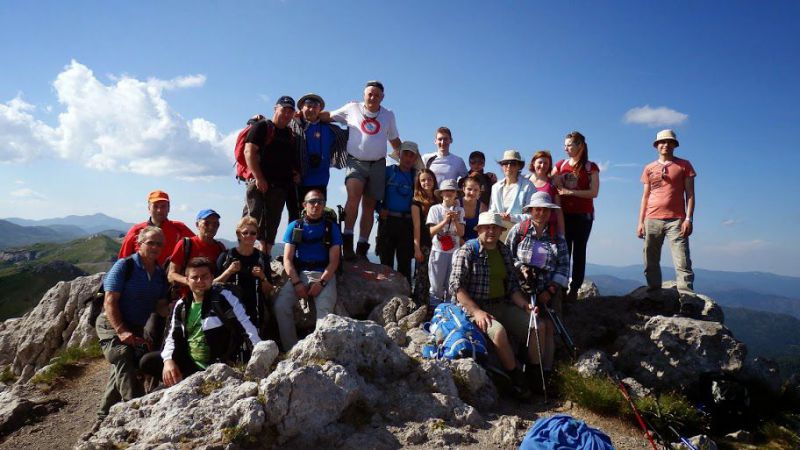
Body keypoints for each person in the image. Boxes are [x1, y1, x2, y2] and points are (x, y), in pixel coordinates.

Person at [449, 212, 536, 397]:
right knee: (498, 332)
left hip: (501, 304)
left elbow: (512, 286)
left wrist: (524, 305)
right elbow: (456, 287)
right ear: (479, 229)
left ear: (501, 231)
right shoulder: (468, 250)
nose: (491, 231)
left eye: (495, 227)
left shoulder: (503, 251)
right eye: (487, 227)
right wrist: (477, 312)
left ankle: (536, 375)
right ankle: (516, 379)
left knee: (535, 326)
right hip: (474, 307)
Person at [140, 257, 262, 387]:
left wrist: (260, 354)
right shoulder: (182, 305)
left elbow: (246, 326)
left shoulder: (224, 298)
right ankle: (180, 383)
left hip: (218, 365)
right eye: (195, 277)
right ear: (187, 280)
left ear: (212, 277)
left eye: (204, 276)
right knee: (147, 361)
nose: (200, 281)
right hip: (189, 363)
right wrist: (168, 361)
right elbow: (172, 336)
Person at [321, 81, 402, 260]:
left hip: (378, 164)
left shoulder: (388, 115)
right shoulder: (352, 108)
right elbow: (329, 116)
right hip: (355, 162)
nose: (373, 97)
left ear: (382, 97)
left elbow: (394, 140)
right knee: (353, 198)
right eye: (370, 94)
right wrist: (309, 114)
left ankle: (362, 248)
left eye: (377, 95)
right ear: (364, 95)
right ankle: (347, 242)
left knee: (369, 206)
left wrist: (409, 160)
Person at [95, 226, 169, 420]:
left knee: (122, 367)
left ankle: (103, 417)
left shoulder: (160, 274)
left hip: (135, 327)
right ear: (139, 244)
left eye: (159, 244)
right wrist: (121, 330)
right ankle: (135, 408)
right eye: (150, 243)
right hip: (111, 323)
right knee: (122, 353)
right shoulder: (124, 266)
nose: (155, 247)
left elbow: (160, 306)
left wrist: (178, 307)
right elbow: (110, 301)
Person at [505, 192, 569, 379]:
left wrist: (551, 289)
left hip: (549, 289)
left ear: (550, 212)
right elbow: (507, 256)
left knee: (548, 326)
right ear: (531, 210)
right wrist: (521, 267)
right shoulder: (519, 231)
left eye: (545, 210)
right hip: (522, 289)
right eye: (537, 209)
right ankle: (523, 366)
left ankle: (544, 372)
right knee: (527, 325)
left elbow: (564, 266)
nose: (541, 213)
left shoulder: (557, 237)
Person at [273, 189, 342, 351]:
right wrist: (297, 283)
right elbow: (287, 259)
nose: (316, 205)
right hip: (300, 274)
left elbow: (334, 261)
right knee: (281, 306)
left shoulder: (331, 228)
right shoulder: (295, 226)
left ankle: (320, 352)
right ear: (305, 205)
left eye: (320, 202)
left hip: (324, 274)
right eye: (312, 201)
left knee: (324, 311)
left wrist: (322, 283)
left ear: (324, 205)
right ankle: (292, 350)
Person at [637, 129, 696, 295]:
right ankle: (654, 292)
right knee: (650, 259)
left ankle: (687, 297)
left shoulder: (684, 165)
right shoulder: (649, 167)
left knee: (682, 260)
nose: (665, 145)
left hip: (677, 220)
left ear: (674, 145)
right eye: (662, 142)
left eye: (669, 142)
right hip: (651, 218)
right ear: (657, 146)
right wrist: (640, 222)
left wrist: (689, 219)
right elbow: (645, 196)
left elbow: (690, 194)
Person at [243, 96, 302, 255]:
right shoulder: (262, 127)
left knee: (272, 224)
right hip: (258, 183)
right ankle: (243, 255)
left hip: (280, 186)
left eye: (290, 111)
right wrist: (259, 178)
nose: (287, 114)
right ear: (275, 109)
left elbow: (288, 158)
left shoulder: (289, 134)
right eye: (284, 110)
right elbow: (249, 151)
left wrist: (295, 173)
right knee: (251, 220)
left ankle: (264, 257)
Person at [552, 131, 600, 302]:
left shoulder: (590, 167)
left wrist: (570, 192)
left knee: (579, 251)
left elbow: (594, 192)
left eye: (569, 145)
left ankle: (574, 289)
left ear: (580, 146)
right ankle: (562, 287)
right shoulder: (561, 164)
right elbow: (549, 178)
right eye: (565, 145)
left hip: (583, 216)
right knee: (564, 251)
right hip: (564, 215)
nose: (565, 148)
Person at [288, 93, 349, 222]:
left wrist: (347, 113)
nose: (311, 109)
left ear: (320, 110)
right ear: (301, 108)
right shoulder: (292, 125)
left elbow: (353, 133)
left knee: (317, 218)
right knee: (295, 217)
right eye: (308, 105)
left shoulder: (330, 129)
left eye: (315, 106)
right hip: (296, 180)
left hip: (320, 180)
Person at [215, 216, 273, 336]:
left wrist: (262, 277)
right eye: (245, 232)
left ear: (257, 235)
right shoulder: (226, 256)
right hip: (230, 311)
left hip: (255, 312)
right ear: (238, 234)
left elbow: (268, 290)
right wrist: (228, 271)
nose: (249, 236)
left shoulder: (262, 258)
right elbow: (213, 285)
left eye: (253, 233)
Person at [376, 141, 419, 283]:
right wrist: (378, 208)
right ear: (399, 155)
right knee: (385, 263)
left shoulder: (417, 177)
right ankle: (385, 292)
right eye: (406, 154)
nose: (408, 158)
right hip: (387, 221)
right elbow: (373, 191)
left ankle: (405, 293)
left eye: (412, 155)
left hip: (407, 224)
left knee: (405, 264)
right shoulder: (388, 171)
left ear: (415, 159)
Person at [118, 190, 194, 267]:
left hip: (170, 274)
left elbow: (197, 245)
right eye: (155, 206)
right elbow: (122, 261)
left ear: (168, 208)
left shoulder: (180, 229)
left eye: (163, 206)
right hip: (142, 274)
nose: (159, 210)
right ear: (149, 208)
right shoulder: (136, 230)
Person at [426, 179, 465, 306]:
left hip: (455, 253)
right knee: (435, 287)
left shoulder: (460, 210)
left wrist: (455, 221)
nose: (449, 193)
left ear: (456, 193)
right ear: (441, 193)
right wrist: (445, 221)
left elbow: (461, 233)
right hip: (438, 251)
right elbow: (431, 231)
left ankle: (448, 312)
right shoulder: (435, 209)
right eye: (446, 190)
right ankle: (434, 311)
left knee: (451, 287)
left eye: (452, 190)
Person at [167, 209, 226, 291]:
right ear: (197, 225)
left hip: (212, 296)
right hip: (187, 295)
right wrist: (191, 282)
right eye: (206, 223)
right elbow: (171, 275)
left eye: (215, 224)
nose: (211, 227)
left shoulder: (220, 247)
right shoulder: (185, 244)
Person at [489, 150, 536, 239]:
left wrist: (511, 217)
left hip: (520, 234)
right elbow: (492, 212)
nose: (509, 166)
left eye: (513, 163)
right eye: (505, 163)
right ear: (502, 166)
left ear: (519, 166)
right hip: (498, 234)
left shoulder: (528, 186)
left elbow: (533, 215)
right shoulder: (495, 187)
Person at [411, 169, 438, 307]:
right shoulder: (416, 202)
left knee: (437, 277)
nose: (427, 182)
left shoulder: (440, 200)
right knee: (423, 277)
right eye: (423, 180)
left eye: (429, 179)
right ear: (419, 183)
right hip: (425, 244)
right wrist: (417, 248)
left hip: (439, 244)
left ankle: (435, 306)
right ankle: (421, 307)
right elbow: (416, 226)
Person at [526, 150, 565, 236]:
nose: (542, 165)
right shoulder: (525, 181)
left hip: (549, 228)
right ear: (533, 163)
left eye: (546, 163)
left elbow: (558, 211)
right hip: (528, 227)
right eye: (540, 162)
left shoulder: (552, 183)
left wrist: (562, 233)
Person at [460, 174, 488, 242]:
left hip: (476, 242)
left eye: (476, 190)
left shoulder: (483, 207)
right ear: (463, 189)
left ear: (479, 191)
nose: (472, 193)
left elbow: (484, 230)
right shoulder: (455, 204)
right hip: (456, 241)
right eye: (469, 189)